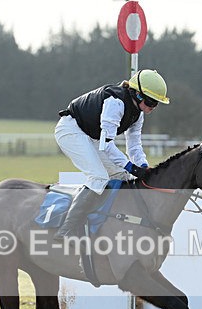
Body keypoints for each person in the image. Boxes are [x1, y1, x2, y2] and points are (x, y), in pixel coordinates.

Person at [53, 69, 170, 240]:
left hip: (91, 137)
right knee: (99, 176)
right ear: (137, 94)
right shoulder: (116, 103)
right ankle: (66, 230)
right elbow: (106, 144)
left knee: (123, 176)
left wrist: (143, 166)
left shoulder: (138, 114)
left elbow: (134, 145)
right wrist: (131, 166)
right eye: (151, 102)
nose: (153, 108)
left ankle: (106, 223)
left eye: (157, 104)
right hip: (71, 130)